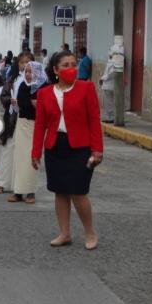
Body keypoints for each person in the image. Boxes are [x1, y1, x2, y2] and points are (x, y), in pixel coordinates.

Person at [31, 50, 104, 250]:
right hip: (56, 146)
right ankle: (65, 233)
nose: (71, 68)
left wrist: (97, 149)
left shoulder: (86, 88)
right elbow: (40, 125)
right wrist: (35, 152)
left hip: (80, 147)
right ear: (55, 70)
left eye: (74, 64)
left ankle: (90, 233)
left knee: (78, 192)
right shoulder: (45, 93)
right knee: (60, 192)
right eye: (65, 65)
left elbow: (94, 120)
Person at [0, 51, 33, 193]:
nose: (24, 65)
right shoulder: (12, 80)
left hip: (27, 119)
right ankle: (2, 182)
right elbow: (4, 95)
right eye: (22, 62)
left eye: (28, 62)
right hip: (12, 120)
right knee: (7, 150)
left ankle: (21, 185)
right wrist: (9, 101)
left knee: (24, 153)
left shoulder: (36, 81)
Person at [9, 60, 48, 204]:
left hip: (36, 127)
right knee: (19, 159)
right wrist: (17, 105)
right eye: (26, 71)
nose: (28, 74)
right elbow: (21, 106)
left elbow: (50, 108)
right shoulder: (24, 86)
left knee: (32, 158)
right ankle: (18, 192)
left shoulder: (44, 87)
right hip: (22, 124)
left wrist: (40, 105)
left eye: (31, 72)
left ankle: (30, 192)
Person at [99, 49, 116, 123]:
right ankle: (109, 117)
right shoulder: (110, 62)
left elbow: (110, 74)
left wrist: (102, 78)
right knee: (108, 102)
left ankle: (111, 117)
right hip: (107, 85)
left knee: (109, 102)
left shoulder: (113, 63)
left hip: (109, 85)